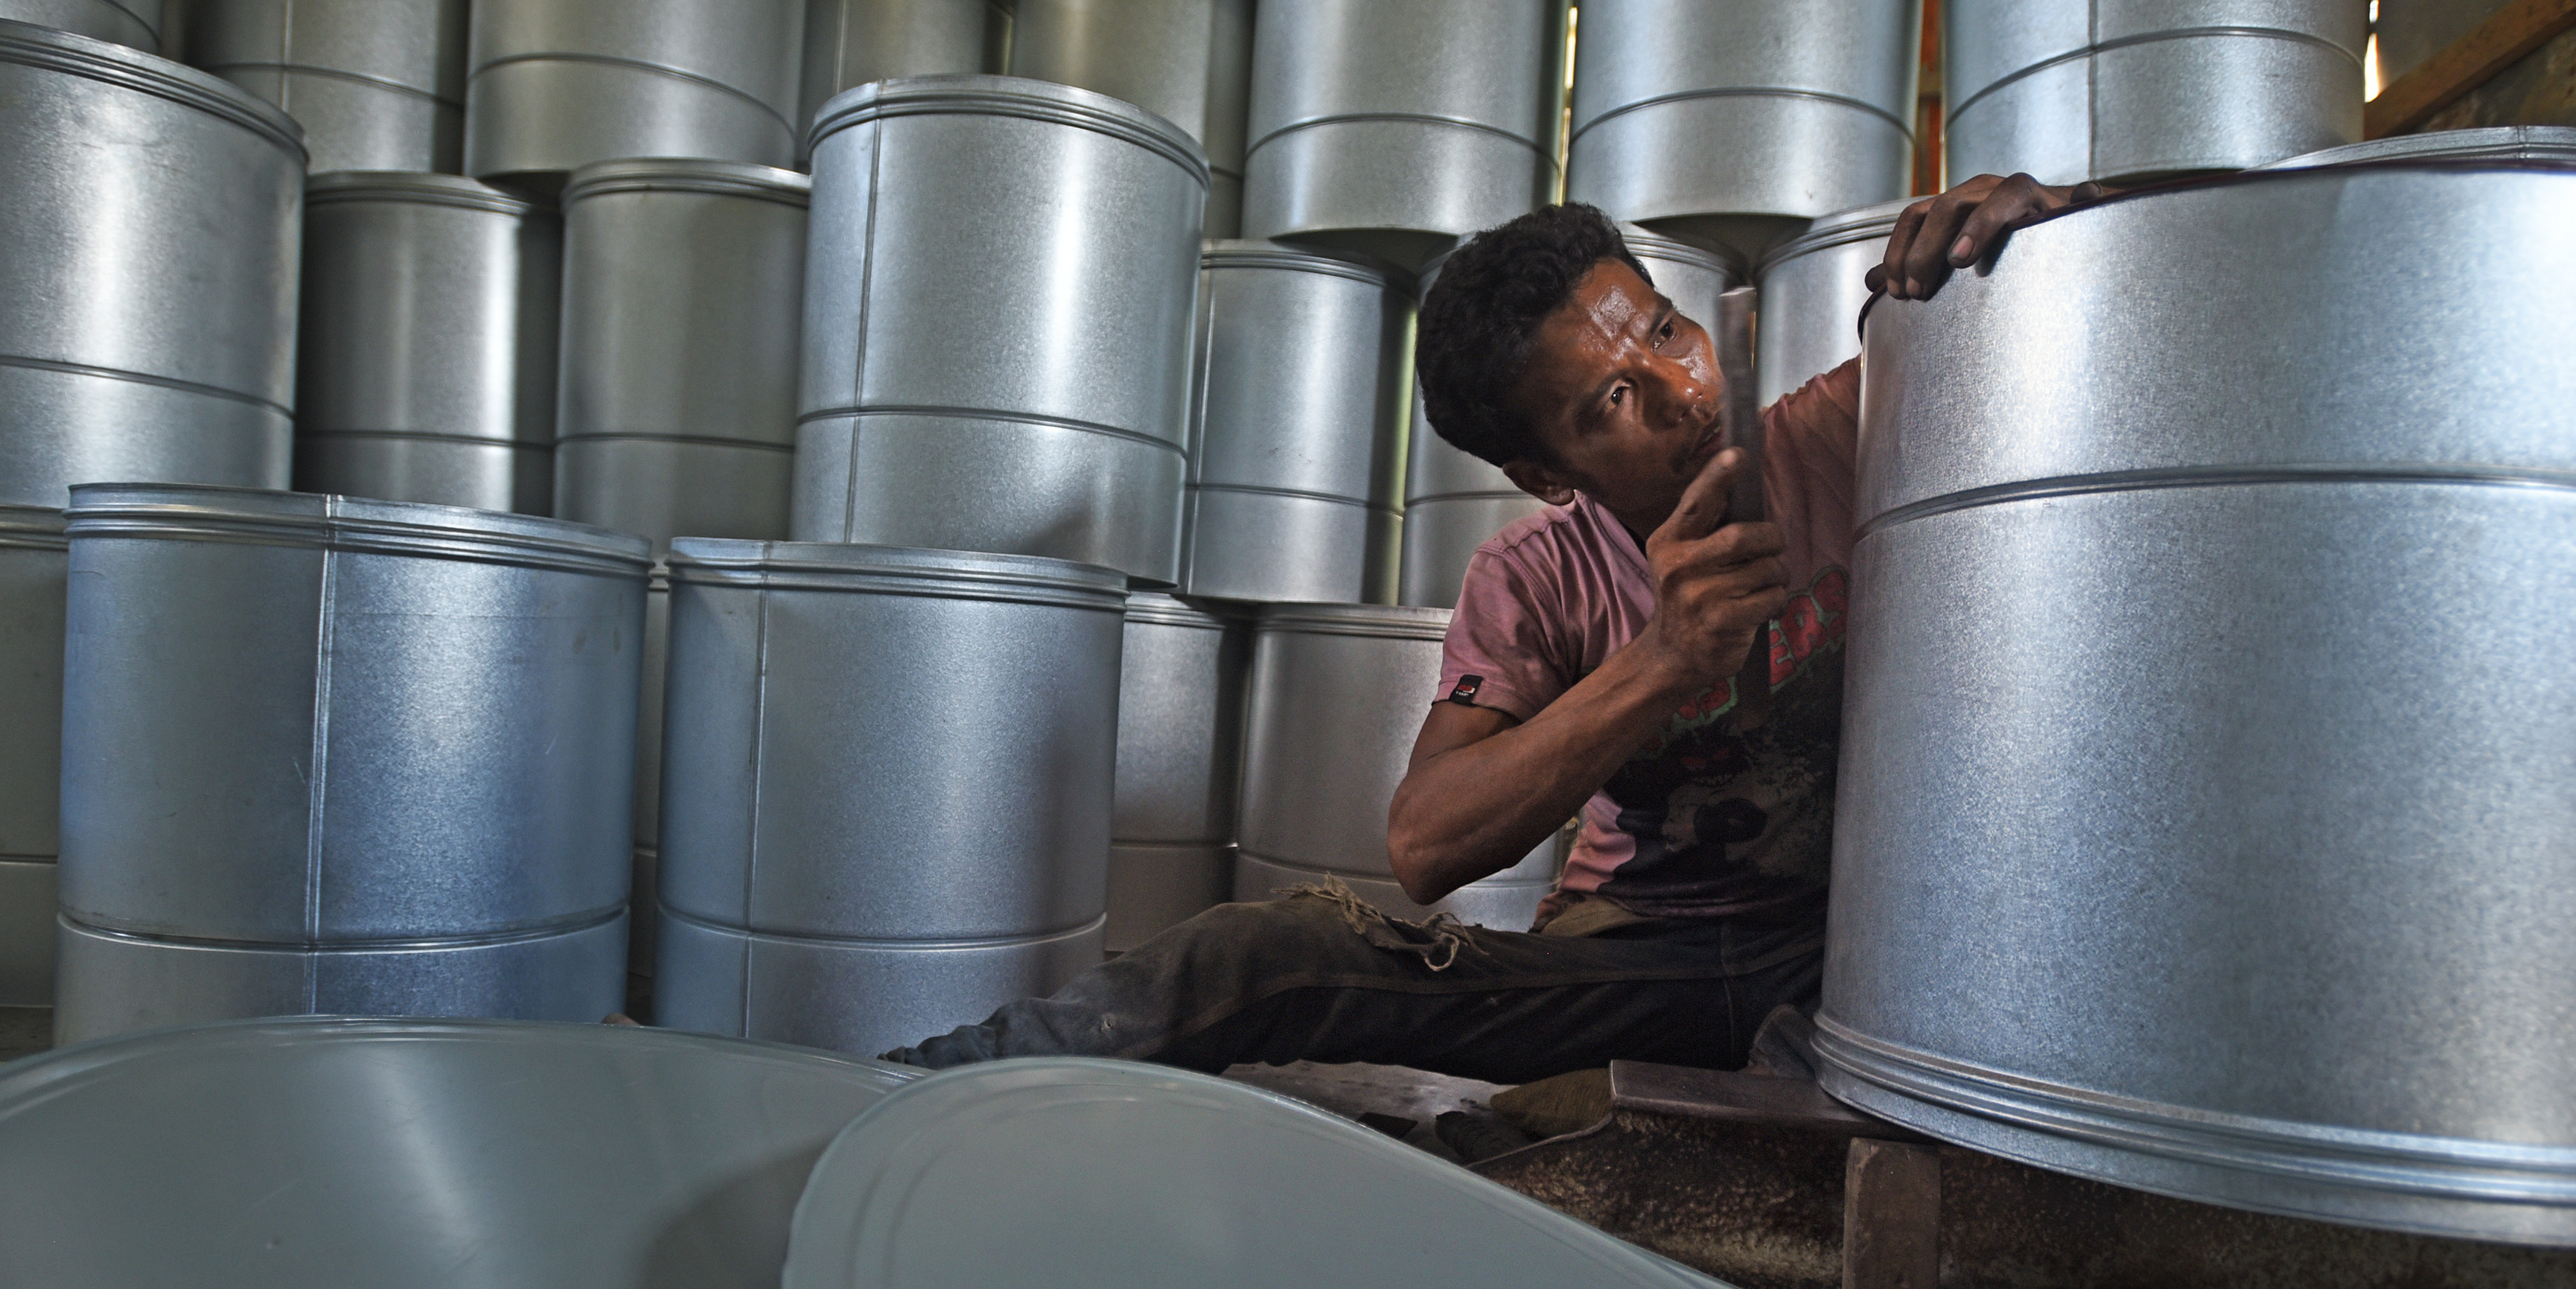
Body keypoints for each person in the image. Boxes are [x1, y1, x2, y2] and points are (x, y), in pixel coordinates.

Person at [881, 173, 2096, 1082]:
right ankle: (893, 1103)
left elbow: (2109, 326)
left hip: (1856, 949)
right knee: (1264, 958)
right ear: (1541, 470)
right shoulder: (1537, 573)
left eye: (1667, 332)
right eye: (1614, 400)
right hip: (1631, 962)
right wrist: (1663, 662)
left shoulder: (1850, 431)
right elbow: (1425, 843)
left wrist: (2044, 231)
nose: (1683, 388)